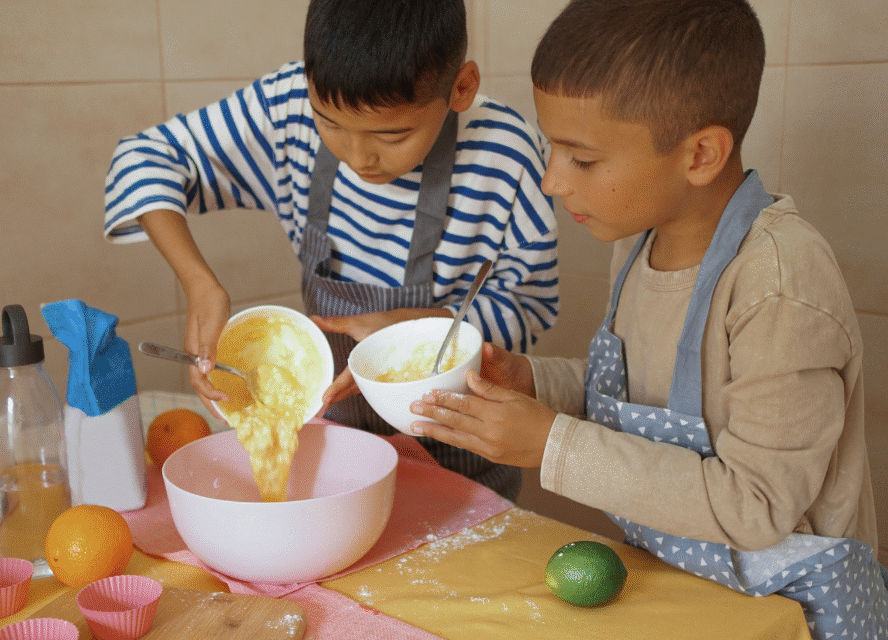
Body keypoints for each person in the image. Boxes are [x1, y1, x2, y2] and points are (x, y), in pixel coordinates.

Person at [409, 0, 888, 636]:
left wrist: (553, 444)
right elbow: (648, 396)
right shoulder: (640, 244)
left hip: (793, 615)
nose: (552, 181)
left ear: (701, 154)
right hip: (689, 595)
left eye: (580, 159)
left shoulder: (779, 285)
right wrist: (533, 382)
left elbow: (757, 506)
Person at [103, 0, 558, 500]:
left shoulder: (503, 153)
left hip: (460, 461)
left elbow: (530, 303)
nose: (358, 157)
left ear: (461, 87)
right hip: (334, 454)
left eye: (392, 134)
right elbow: (144, 156)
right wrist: (199, 282)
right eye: (331, 123)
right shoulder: (289, 108)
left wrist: (418, 331)